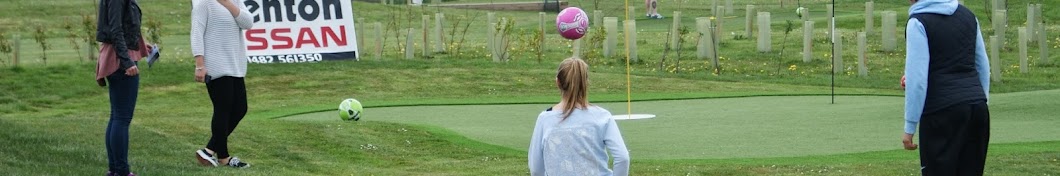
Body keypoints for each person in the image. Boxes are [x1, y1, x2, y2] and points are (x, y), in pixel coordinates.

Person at [901, 0, 991, 175]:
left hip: (941, 112)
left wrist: (909, 127)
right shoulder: (969, 16)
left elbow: (917, 80)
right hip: (977, 108)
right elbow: (982, 66)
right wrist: (981, 100)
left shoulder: (918, 22)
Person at [528, 58, 630, 176]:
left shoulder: (545, 119)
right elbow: (622, 158)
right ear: (585, 83)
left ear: (558, 82)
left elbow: (536, 168)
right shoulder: (602, 116)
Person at [190, 0, 254, 168]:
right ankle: (222, 157)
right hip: (215, 66)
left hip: (235, 64)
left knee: (240, 108)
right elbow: (196, 33)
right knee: (223, 109)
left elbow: (248, 23)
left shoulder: (235, 1)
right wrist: (199, 65)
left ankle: (211, 150)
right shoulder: (203, 3)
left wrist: (226, 3)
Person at [95, 0, 151, 175]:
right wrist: (127, 62)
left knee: (117, 116)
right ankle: (121, 170)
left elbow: (125, 26)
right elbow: (115, 29)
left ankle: (115, 170)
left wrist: (142, 46)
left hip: (120, 55)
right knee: (121, 118)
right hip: (120, 60)